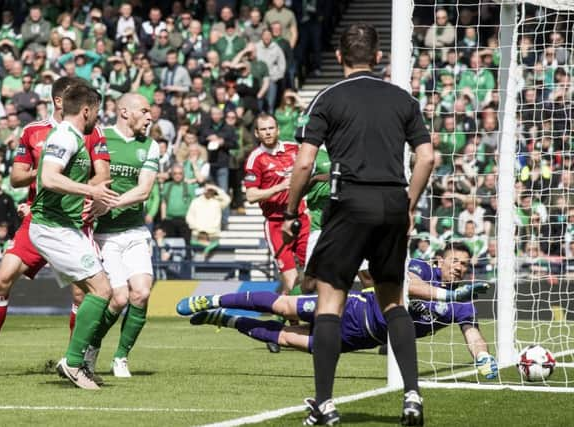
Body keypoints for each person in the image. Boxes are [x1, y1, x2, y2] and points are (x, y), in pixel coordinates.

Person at [281, 23, 434, 425]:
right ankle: (413, 396)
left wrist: (290, 209)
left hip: (349, 201)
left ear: (339, 57)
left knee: (330, 301)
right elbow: (427, 157)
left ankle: (325, 404)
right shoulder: (403, 98)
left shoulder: (328, 98)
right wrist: (409, 203)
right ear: (378, 56)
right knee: (393, 301)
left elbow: (303, 163)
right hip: (391, 202)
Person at [0, 77, 110, 380]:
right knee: (1, 279)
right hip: (38, 219)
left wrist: (85, 192)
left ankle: (74, 362)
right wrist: (48, 171)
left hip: (74, 223)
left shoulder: (92, 132)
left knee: (82, 294)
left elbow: (102, 175)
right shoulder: (32, 132)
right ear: (59, 100)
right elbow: (16, 177)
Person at [177, 244, 497, 381]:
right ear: (440, 260)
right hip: (353, 310)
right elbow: (405, 285)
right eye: (455, 260)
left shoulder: (463, 303)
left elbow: (473, 335)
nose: (460, 267)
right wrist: (446, 293)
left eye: (466, 264)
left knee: (289, 338)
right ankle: (215, 299)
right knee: (285, 306)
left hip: (361, 339)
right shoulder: (421, 268)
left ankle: (226, 319)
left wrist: (482, 358)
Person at [29, 84, 118, 390]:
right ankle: (74, 362)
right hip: (51, 227)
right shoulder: (66, 136)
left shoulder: (75, 137)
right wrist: (90, 190)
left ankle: (78, 361)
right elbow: (49, 177)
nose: (98, 117)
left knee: (98, 293)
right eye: (97, 111)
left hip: (64, 226)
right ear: (86, 111)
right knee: (102, 290)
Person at [84, 93, 159, 378]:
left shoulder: (150, 146)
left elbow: (144, 191)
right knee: (118, 298)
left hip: (135, 230)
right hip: (104, 235)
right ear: (124, 112)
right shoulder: (99, 137)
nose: (150, 116)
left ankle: (121, 358)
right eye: (145, 110)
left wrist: (109, 203)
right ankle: (91, 346)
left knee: (141, 292)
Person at [244, 114, 309, 296]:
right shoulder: (256, 159)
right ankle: (291, 322)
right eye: (263, 129)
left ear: (278, 129)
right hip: (276, 224)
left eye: (271, 128)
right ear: (257, 133)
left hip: (302, 218)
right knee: (291, 279)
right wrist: (278, 188)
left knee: (314, 272)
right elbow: (251, 195)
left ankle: (315, 319)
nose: (268, 132)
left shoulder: (294, 149)